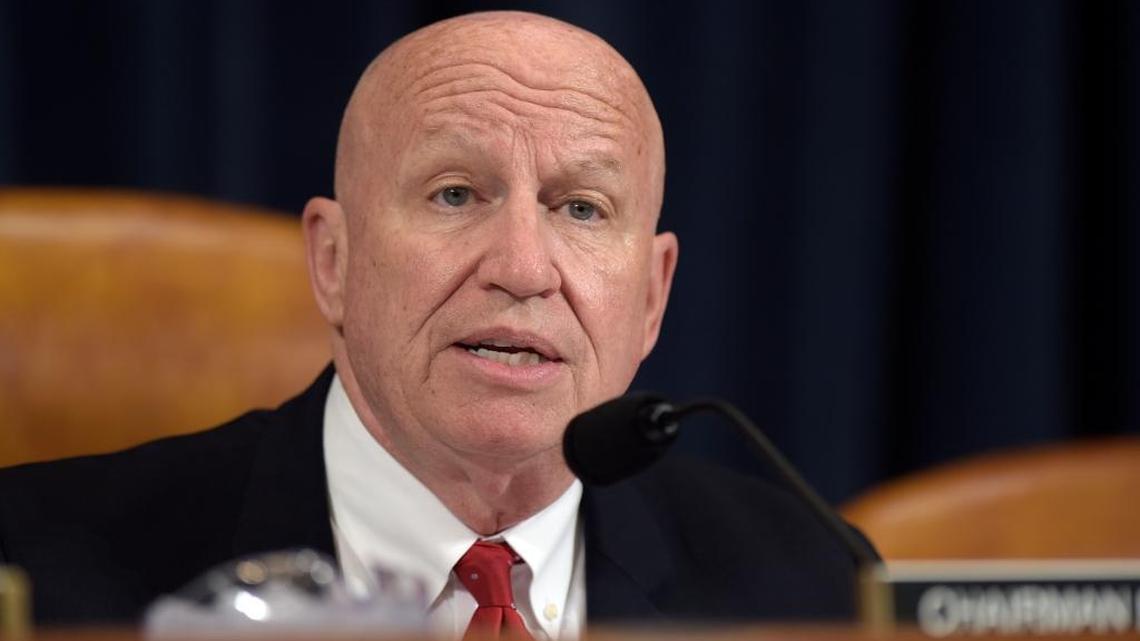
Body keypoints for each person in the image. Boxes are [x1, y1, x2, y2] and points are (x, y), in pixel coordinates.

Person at [0, 11, 868, 636]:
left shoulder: (812, 589)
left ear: (650, 295)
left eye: (583, 208)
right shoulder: (37, 575)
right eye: (456, 194)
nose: (523, 268)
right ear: (334, 261)